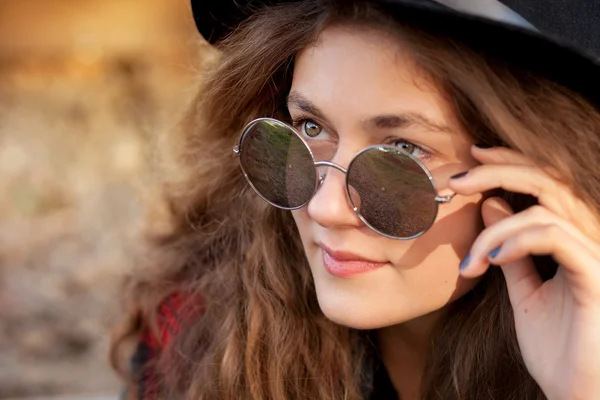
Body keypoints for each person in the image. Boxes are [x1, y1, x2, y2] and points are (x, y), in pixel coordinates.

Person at [110, 0, 600, 399]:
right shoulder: (198, 334)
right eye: (310, 128)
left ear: (526, 180)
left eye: (401, 151)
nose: (324, 208)